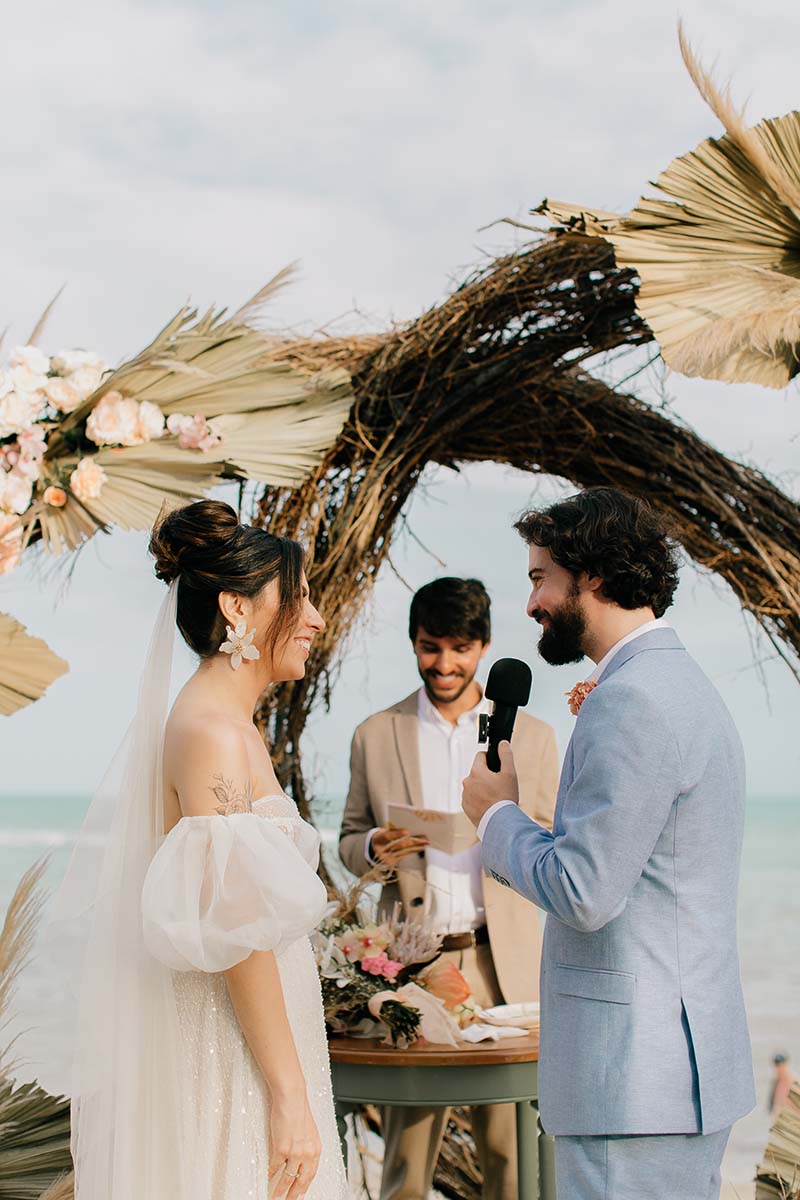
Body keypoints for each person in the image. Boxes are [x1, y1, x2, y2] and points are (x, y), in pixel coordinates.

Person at [43, 500, 347, 1200]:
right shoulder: (210, 730)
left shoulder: (229, 725)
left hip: (260, 1039)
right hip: (233, 1052)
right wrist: (287, 1093)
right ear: (237, 608)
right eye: (298, 598)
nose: (316, 618)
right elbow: (240, 933)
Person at [462, 487, 755, 1200]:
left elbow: (583, 892)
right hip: (675, 1073)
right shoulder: (680, 684)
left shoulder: (631, 699)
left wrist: (497, 818)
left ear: (590, 575)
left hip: (633, 1082)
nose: (530, 604)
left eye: (539, 578)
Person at [339, 576, 558, 1200]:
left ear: (483, 646)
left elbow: (553, 843)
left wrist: (507, 837)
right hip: (412, 963)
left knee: (509, 1152)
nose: (444, 663)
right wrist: (374, 849)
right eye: (431, 647)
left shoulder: (534, 737)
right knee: (408, 1154)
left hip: (502, 960)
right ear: (414, 643)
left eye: (459, 649)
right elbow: (350, 838)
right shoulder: (373, 734)